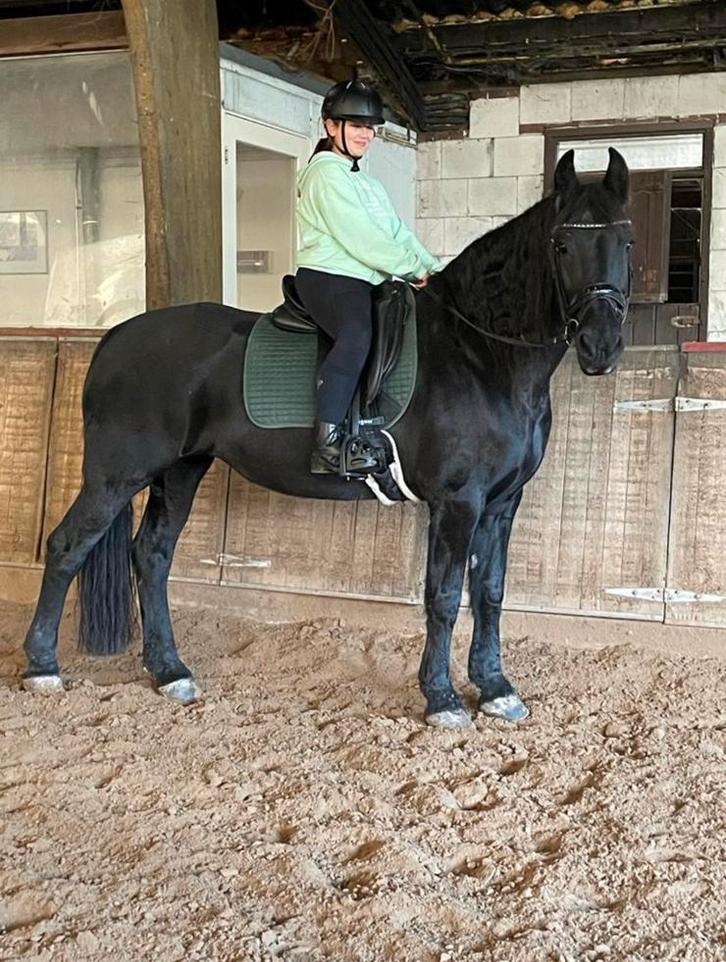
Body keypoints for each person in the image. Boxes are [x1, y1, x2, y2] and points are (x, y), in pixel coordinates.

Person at [295, 78, 442, 475]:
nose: (366, 134)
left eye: (370, 127)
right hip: (329, 275)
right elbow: (361, 238)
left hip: (365, 278)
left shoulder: (369, 184)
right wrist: (411, 270)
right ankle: (326, 444)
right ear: (330, 127)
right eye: (356, 125)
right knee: (358, 334)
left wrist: (435, 270)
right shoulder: (324, 175)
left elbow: (396, 234)